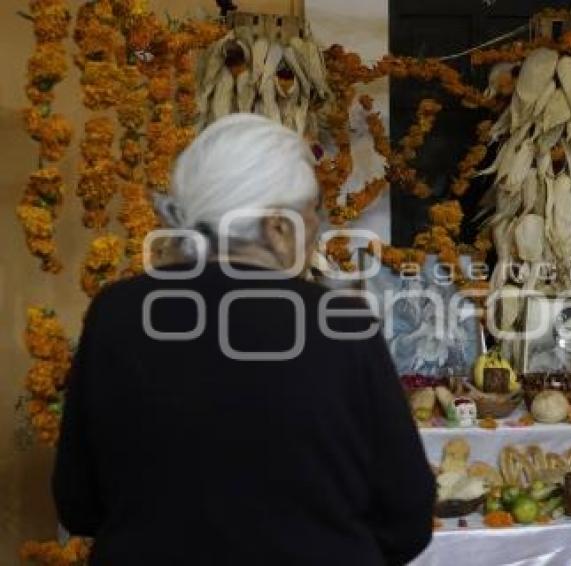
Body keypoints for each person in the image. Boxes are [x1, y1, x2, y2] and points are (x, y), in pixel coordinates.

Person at [52, 114, 435, 565]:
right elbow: (406, 515)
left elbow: (78, 502)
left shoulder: (116, 314)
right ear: (276, 226)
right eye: (313, 210)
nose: (317, 225)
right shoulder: (340, 323)